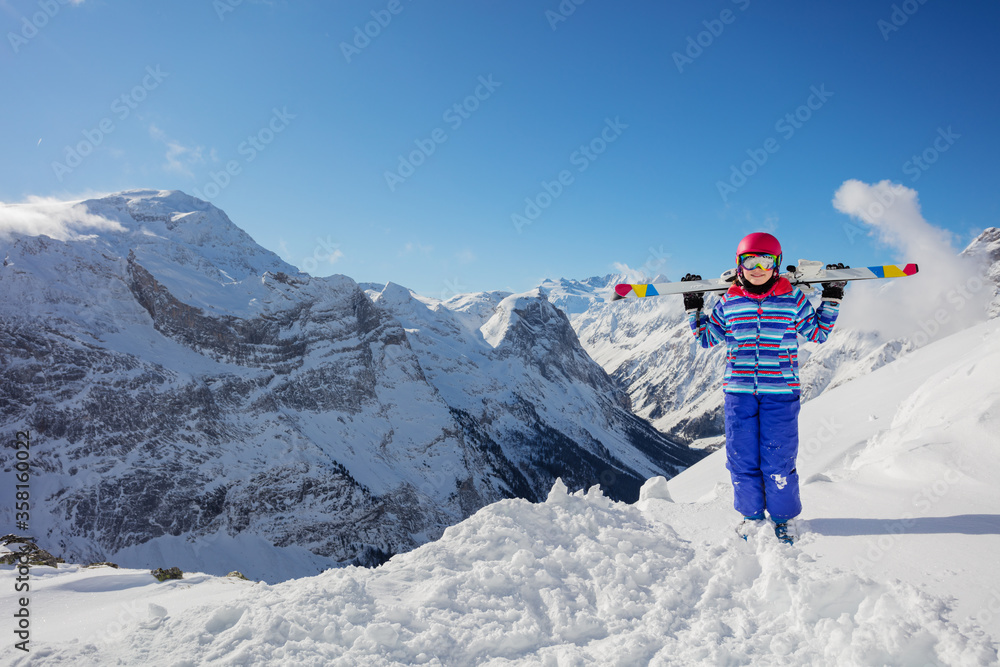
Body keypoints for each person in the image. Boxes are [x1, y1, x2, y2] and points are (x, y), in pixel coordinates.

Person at [681, 232, 846, 544]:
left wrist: (832, 297)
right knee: (741, 457)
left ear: (776, 264)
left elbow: (818, 332)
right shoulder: (729, 302)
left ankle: (784, 520)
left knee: (778, 458)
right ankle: (751, 516)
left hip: (780, 393)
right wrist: (694, 307)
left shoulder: (792, 300)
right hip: (738, 393)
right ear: (739, 265)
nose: (757, 267)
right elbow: (706, 338)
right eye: (750, 260)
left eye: (765, 261)